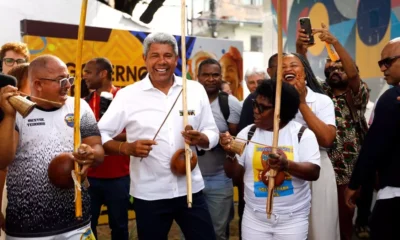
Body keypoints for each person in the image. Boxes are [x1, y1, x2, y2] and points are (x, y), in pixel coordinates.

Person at [98, 32, 219, 240]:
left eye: (168, 55)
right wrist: (126, 149)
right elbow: (100, 132)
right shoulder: (128, 95)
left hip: (190, 188)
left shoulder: (195, 89)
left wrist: (202, 138)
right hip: (149, 194)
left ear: (176, 59)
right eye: (155, 55)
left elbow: (213, 131)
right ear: (144, 59)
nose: (161, 61)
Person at [0, 54, 104, 239]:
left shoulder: (79, 106)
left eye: (68, 79)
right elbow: (2, 161)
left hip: (77, 223)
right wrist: (8, 116)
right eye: (60, 80)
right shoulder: (15, 109)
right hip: (27, 229)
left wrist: (91, 154)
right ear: (38, 84)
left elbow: (97, 147)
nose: (68, 85)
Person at [220, 80, 321, 240]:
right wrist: (230, 154)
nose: (255, 110)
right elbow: (234, 175)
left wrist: (286, 164)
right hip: (255, 217)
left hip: (292, 218)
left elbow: (314, 172)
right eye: (255, 104)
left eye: (262, 107)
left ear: (281, 111)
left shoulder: (302, 134)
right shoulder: (246, 133)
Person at [296, 23, 369, 240]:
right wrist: (301, 49)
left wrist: (334, 43)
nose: (335, 69)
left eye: (341, 66)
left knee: (344, 223)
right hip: (316, 166)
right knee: (315, 223)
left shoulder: (358, 95)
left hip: (347, 171)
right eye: (330, 64)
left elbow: (354, 76)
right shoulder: (321, 91)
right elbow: (305, 74)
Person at [345, 37, 400, 240]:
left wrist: (354, 184)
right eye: (380, 63)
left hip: (394, 196)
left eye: (388, 61)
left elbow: (373, 148)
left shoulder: (392, 98)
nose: (382, 69)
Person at [281, 52, 339, 240]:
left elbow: (327, 140)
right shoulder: (272, 103)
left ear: (305, 73)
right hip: (284, 169)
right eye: (282, 67)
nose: (288, 69)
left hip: (317, 169)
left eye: (293, 65)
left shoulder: (322, 101)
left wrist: (302, 103)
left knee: (321, 229)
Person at [83, 57, 130, 240]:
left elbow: (135, 134)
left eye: (88, 72)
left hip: (119, 176)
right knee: (88, 226)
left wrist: (100, 132)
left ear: (103, 74)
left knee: (119, 226)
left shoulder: (125, 98)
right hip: (90, 176)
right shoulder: (84, 102)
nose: (84, 76)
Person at [196, 58, 242, 239]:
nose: (210, 79)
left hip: (219, 178)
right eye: (206, 75)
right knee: (189, 232)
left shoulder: (230, 103)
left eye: (215, 75)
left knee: (217, 233)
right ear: (198, 77)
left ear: (221, 77)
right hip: (190, 178)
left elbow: (240, 143)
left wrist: (226, 142)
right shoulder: (185, 101)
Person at [237, 54, 277, 133]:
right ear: (246, 84)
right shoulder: (246, 102)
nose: (256, 86)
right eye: (252, 82)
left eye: (260, 82)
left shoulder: (276, 97)